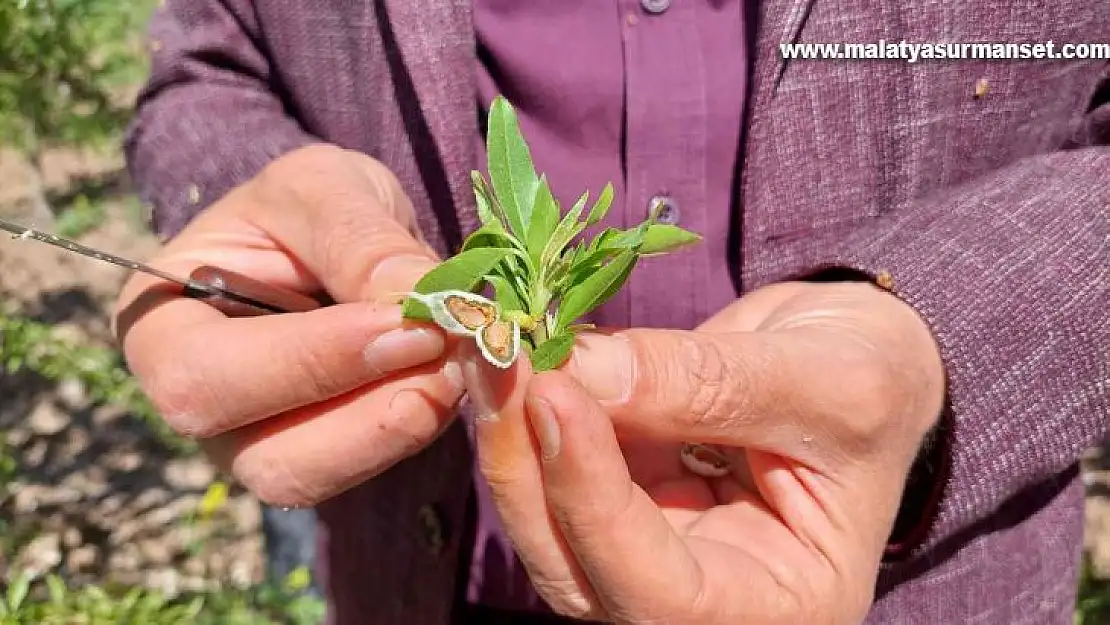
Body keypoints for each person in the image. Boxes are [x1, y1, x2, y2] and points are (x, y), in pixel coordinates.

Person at [114, 2, 1108, 624]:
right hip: (425, 577)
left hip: (913, 589)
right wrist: (250, 225)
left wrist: (937, 338)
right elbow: (207, 66)